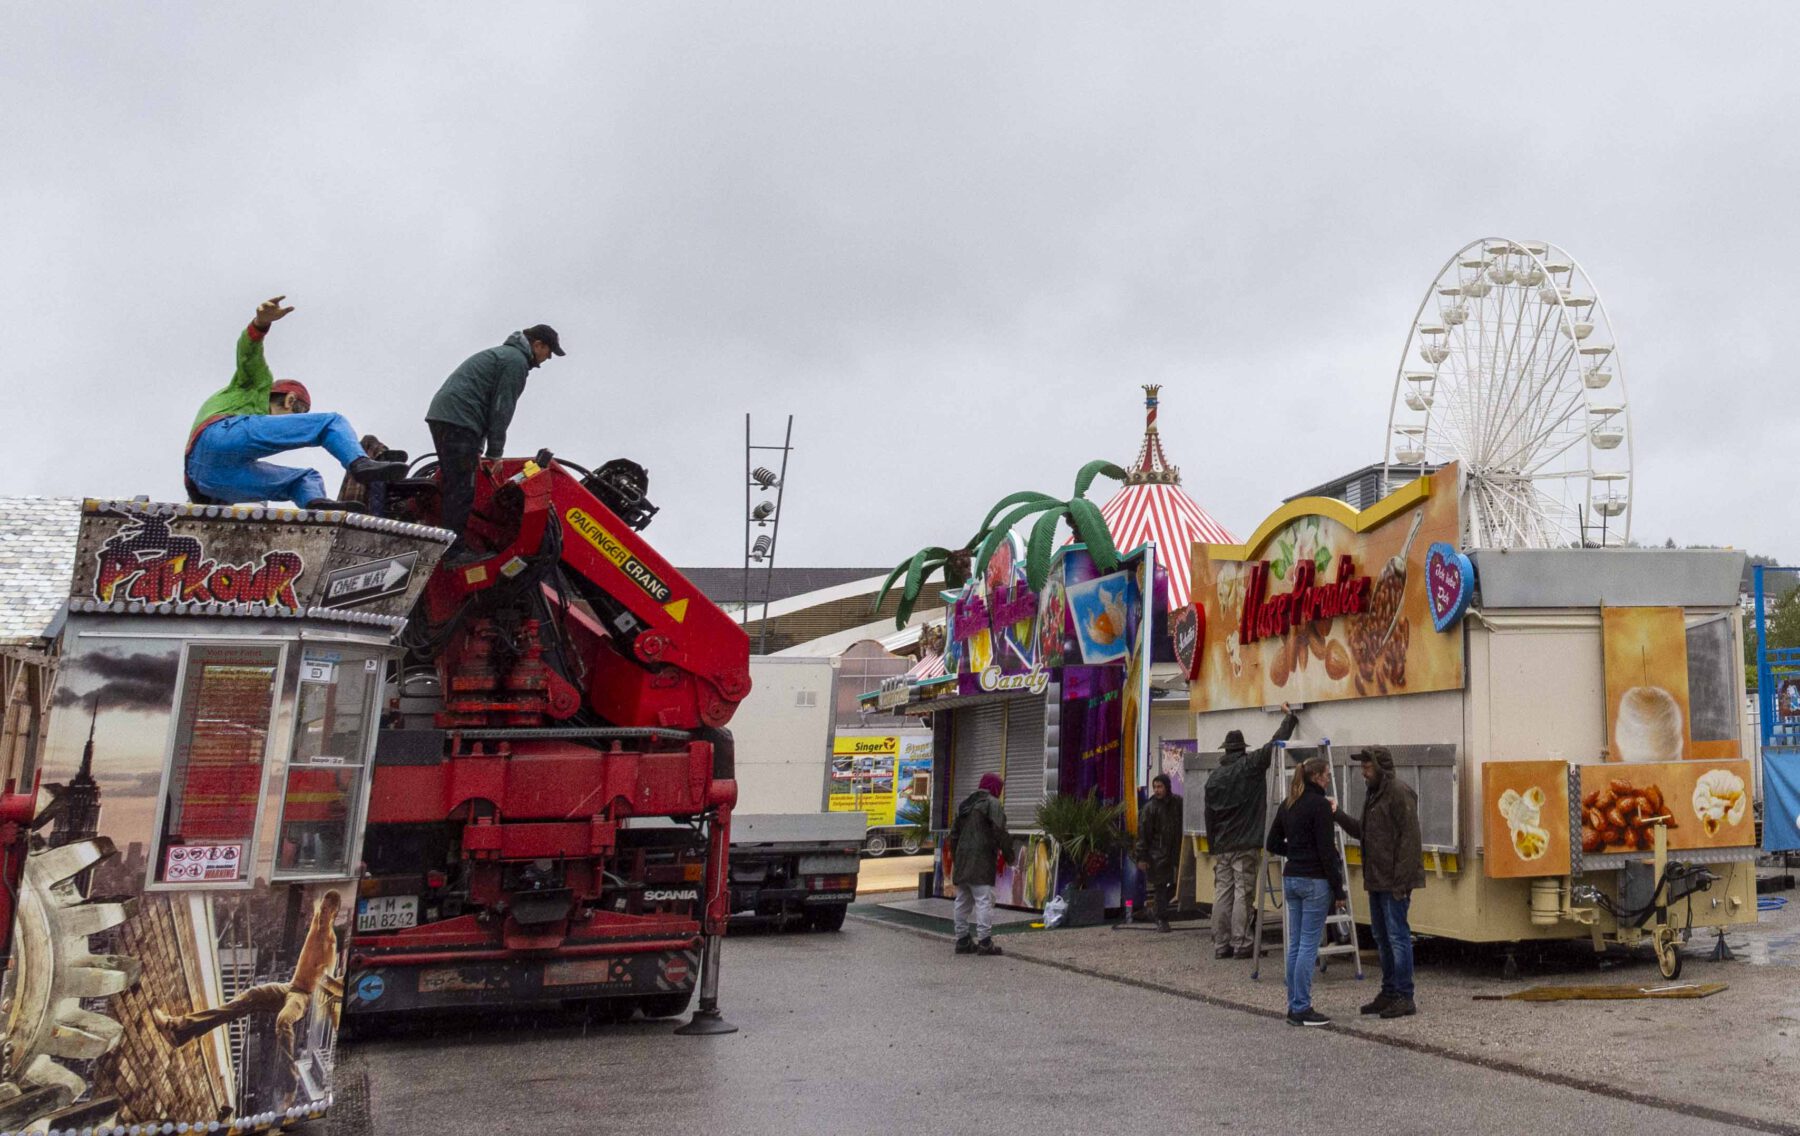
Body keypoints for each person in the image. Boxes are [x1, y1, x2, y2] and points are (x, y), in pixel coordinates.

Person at [186, 297, 406, 510]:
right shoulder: (257, 385)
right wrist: (261, 324)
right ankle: (359, 463)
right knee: (330, 422)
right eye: (298, 413)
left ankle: (318, 508)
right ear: (290, 400)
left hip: (205, 480)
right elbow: (248, 354)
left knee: (305, 478)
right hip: (221, 433)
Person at [154, 890, 346, 1102]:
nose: (322, 912)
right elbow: (314, 896)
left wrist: (334, 984)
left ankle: (290, 1084)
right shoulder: (316, 923)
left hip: (303, 997)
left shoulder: (330, 943)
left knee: (283, 1021)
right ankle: (179, 1030)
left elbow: (326, 979)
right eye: (322, 908)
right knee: (250, 997)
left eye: (327, 910)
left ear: (334, 914)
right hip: (290, 986)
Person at [424, 324, 565, 551]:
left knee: (456, 482)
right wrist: (495, 453)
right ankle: (451, 549)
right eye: (547, 353)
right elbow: (501, 408)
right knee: (461, 487)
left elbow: (482, 401)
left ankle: (444, 542)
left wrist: (479, 450)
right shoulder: (515, 362)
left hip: (448, 416)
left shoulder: (503, 355)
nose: (545, 360)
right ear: (537, 344)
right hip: (459, 419)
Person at [1332, 746, 1426, 1019]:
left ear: (1380, 767)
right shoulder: (1374, 794)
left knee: (1397, 937)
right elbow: (1364, 832)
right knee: (1382, 938)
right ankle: (1389, 992)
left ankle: (1405, 996)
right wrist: (1337, 814)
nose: (1363, 772)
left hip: (1393, 882)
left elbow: (1410, 841)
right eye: (1362, 767)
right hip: (1377, 880)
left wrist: (1401, 883)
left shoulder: (1398, 792)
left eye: (1367, 767)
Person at [1202, 702, 1299, 959]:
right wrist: (1290, 719)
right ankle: (1242, 942)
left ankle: (1221, 944)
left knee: (1222, 893)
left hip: (1223, 845)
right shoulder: (1249, 766)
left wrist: (1214, 845)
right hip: (1245, 843)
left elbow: (1208, 816)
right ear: (1242, 750)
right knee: (1243, 893)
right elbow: (1274, 745)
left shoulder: (1214, 778)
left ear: (1225, 751)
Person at [1266, 756, 1342, 1027]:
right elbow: (1326, 851)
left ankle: (1293, 1004)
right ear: (1317, 777)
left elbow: (1272, 841)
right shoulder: (1320, 806)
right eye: (1327, 774)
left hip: (1292, 877)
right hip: (1314, 880)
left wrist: (1294, 852)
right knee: (1309, 945)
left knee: (1296, 944)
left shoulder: (1289, 803)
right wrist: (1339, 888)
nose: (1329, 778)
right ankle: (1302, 1007)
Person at [946, 772, 1012, 956]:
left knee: (962, 901)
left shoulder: (965, 804)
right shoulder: (992, 803)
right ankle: (984, 942)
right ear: (995, 788)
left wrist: (957, 859)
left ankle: (962, 940)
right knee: (984, 901)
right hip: (981, 860)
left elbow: (954, 835)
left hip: (963, 859)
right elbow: (1000, 831)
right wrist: (1009, 855)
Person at [1134, 773, 1183, 932]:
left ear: (1167, 787)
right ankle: (1161, 918)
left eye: (1160, 786)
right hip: (1157, 855)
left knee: (1177, 886)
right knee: (1160, 888)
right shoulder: (1150, 808)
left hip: (1175, 853)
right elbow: (1143, 834)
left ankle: (1156, 911)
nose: (1157, 790)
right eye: (1155, 787)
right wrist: (1142, 856)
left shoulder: (1177, 803)